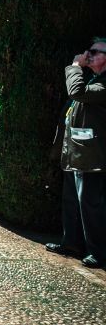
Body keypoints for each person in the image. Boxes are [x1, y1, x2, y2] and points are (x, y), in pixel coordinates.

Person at [46, 37, 106, 269]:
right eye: (88, 51)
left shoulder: (102, 84)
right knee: (71, 200)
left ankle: (99, 253)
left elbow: (76, 91)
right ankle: (71, 243)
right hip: (77, 154)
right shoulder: (94, 79)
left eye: (94, 52)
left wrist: (74, 67)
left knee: (90, 204)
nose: (88, 54)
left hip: (93, 158)